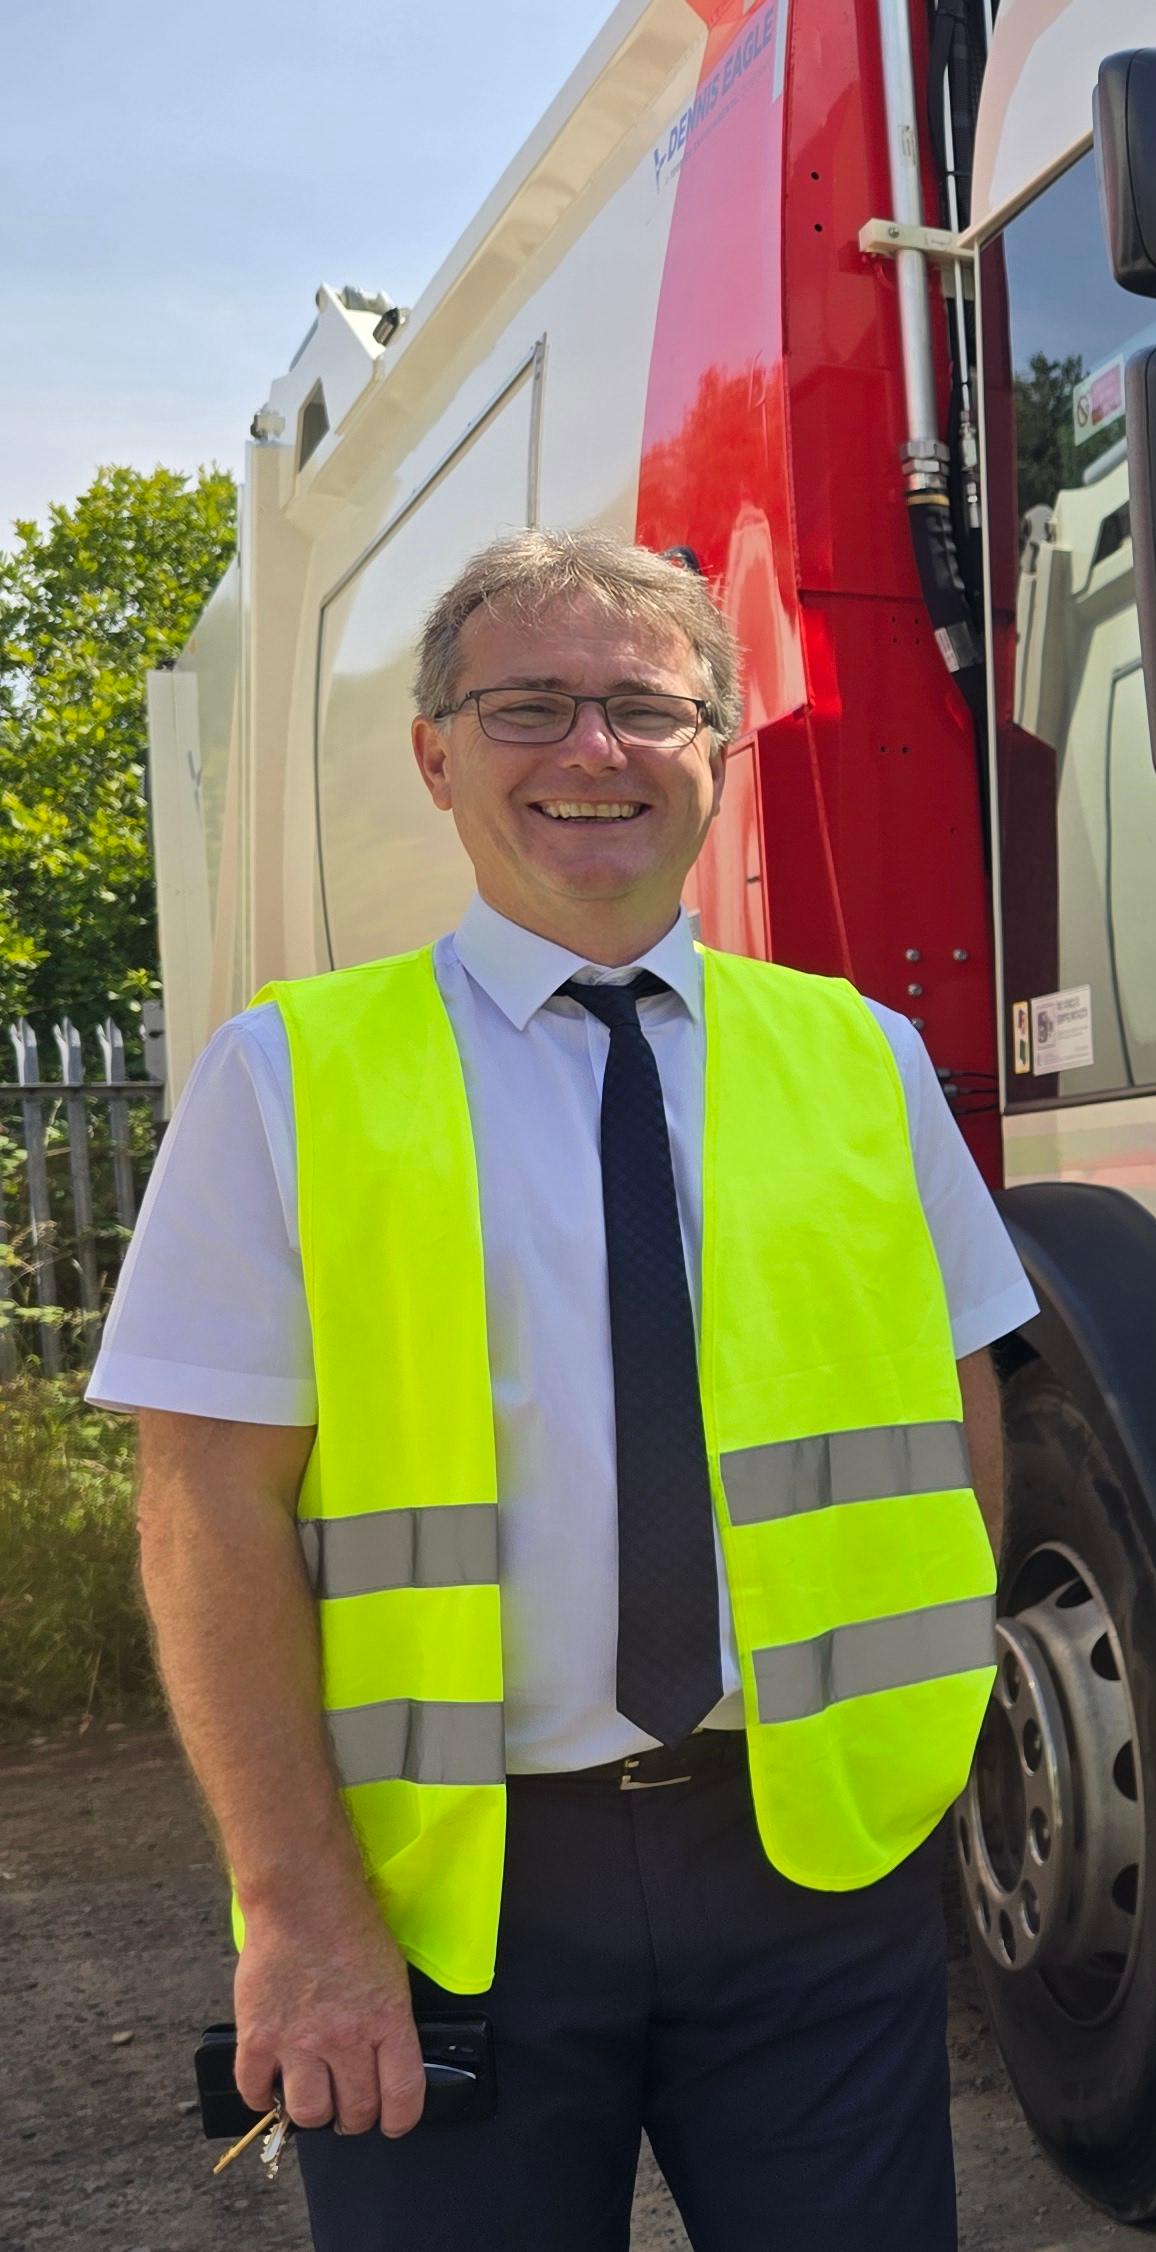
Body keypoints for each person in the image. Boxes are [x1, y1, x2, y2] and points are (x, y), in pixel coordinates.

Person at [99, 528, 1034, 2252]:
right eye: (529, 705)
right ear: (436, 754)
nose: (593, 752)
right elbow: (205, 1508)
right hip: (449, 1893)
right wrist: (295, 1904)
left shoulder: (862, 1057)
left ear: (717, 754)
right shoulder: (290, 1081)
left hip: (818, 1866)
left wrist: (926, 1759)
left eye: (643, 709)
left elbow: (958, 1419)